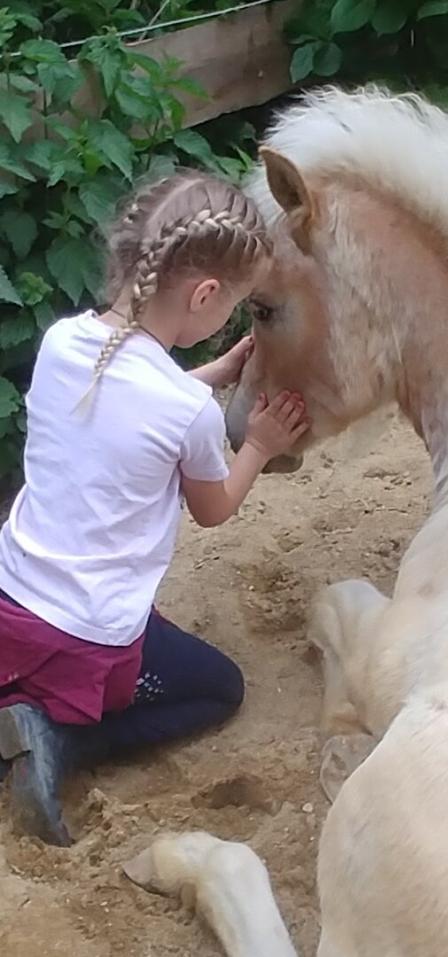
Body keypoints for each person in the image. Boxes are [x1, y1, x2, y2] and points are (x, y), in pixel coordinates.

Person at [0, 170, 309, 846]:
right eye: (233, 304)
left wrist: (208, 375)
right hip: (87, 631)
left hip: (14, 597)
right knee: (218, 688)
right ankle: (59, 738)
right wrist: (257, 444)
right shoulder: (186, 412)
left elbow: (125, 403)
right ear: (204, 295)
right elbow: (214, 508)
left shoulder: (60, 343)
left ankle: (22, 700)